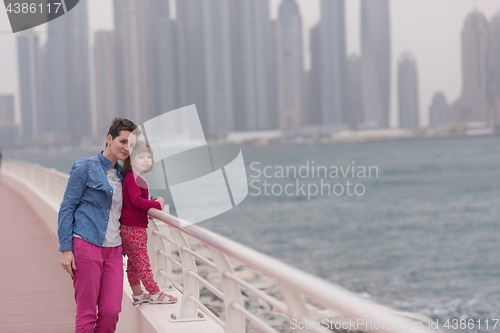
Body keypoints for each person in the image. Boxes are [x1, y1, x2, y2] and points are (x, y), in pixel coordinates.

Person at [58, 118, 138, 333]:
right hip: (86, 244)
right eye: (122, 141)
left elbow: (133, 204)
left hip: (114, 250)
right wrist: (66, 249)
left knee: (112, 310)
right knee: (87, 313)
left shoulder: (123, 175)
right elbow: (67, 207)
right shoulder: (85, 167)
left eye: (131, 145)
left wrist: (156, 201)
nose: (126, 148)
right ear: (109, 139)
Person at [120, 140, 177, 305]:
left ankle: (138, 293)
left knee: (133, 261)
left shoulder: (137, 178)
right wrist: (157, 204)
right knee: (142, 261)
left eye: (148, 156)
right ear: (130, 160)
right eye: (141, 157)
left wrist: (151, 200)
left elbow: (137, 200)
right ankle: (154, 293)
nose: (146, 160)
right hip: (133, 228)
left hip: (131, 227)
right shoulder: (132, 177)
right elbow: (137, 201)